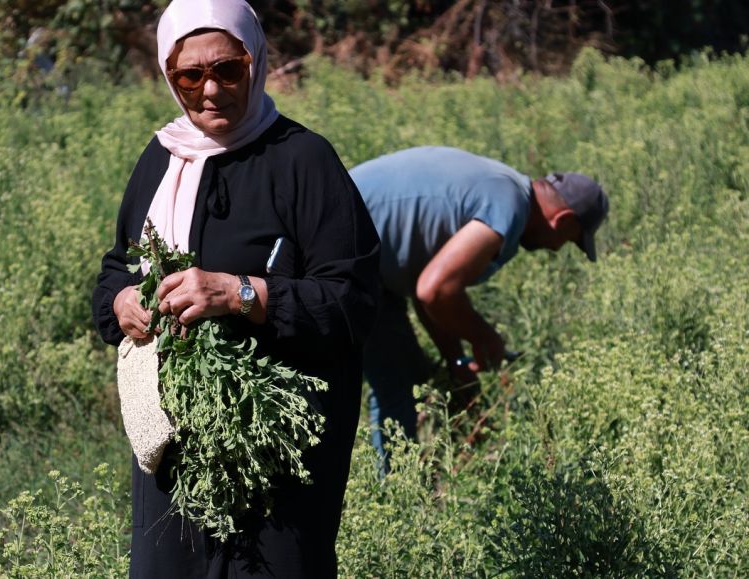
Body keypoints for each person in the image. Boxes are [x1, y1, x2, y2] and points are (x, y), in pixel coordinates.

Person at [90, 0, 381, 576]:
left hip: (281, 451)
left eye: (228, 69)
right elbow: (117, 267)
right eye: (190, 75)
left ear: (256, 61)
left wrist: (240, 293)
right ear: (169, 76)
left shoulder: (303, 160)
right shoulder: (162, 158)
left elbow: (351, 301)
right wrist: (121, 301)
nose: (210, 90)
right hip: (173, 447)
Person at [349, 146, 608, 460]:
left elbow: (427, 287)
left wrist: (456, 361)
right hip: (339, 247)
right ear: (563, 220)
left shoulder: (505, 186)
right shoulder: (509, 208)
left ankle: (414, 471)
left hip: (356, 249)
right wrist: (486, 338)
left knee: (414, 373)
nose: (557, 249)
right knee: (396, 383)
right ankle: (393, 487)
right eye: (569, 240)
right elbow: (435, 290)